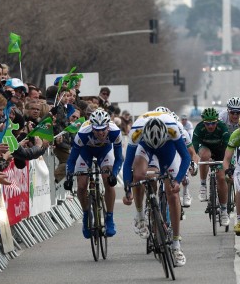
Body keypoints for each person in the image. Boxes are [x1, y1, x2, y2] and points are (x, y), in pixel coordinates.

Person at [122, 113, 190, 266]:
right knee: (138, 176)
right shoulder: (136, 131)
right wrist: (127, 190)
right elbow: (127, 164)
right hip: (146, 148)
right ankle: (140, 215)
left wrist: (178, 181)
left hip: (167, 148)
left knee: (173, 194)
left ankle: (176, 245)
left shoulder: (173, 128)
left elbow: (185, 157)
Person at [64, 110, 123, 238]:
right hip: (86, 152)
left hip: (105, 152)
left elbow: (119, 159)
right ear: (92, 127)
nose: (100, 133)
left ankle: (109, 218)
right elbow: (72, 159)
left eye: (103, 129)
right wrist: (69, 176)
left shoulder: (115, 132)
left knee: (108, 181)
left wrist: (114, 174)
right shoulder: (82, 133)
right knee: (81, 185)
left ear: (108, 126)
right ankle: (86, 215)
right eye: (97, 130)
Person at [192, 107, 230, 226]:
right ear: (204, 122)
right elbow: (193, 147)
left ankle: (224, 210)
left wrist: (227, 162)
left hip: (220, 151)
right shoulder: (199, 128)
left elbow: (228, 147)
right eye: (207, 123)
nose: (210, 126)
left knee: (221, 178)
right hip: (206, 149)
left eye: (213, 123)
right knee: (205, 155)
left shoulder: (222, 128)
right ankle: (203, 185)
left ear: (217, 121)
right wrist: (193, 161)